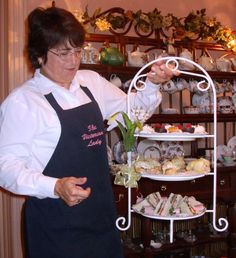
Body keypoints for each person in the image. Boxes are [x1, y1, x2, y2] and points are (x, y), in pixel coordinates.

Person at [0, 6, 174, 258]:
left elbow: (132, 114)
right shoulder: (24, 102)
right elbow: (4, 166)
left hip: (100, 217)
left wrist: (152, 84)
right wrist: (55, 186)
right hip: (56, 226)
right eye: (63, 53)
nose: (73, 60)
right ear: (39, 55)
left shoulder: (90, 82)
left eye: (77, 50)